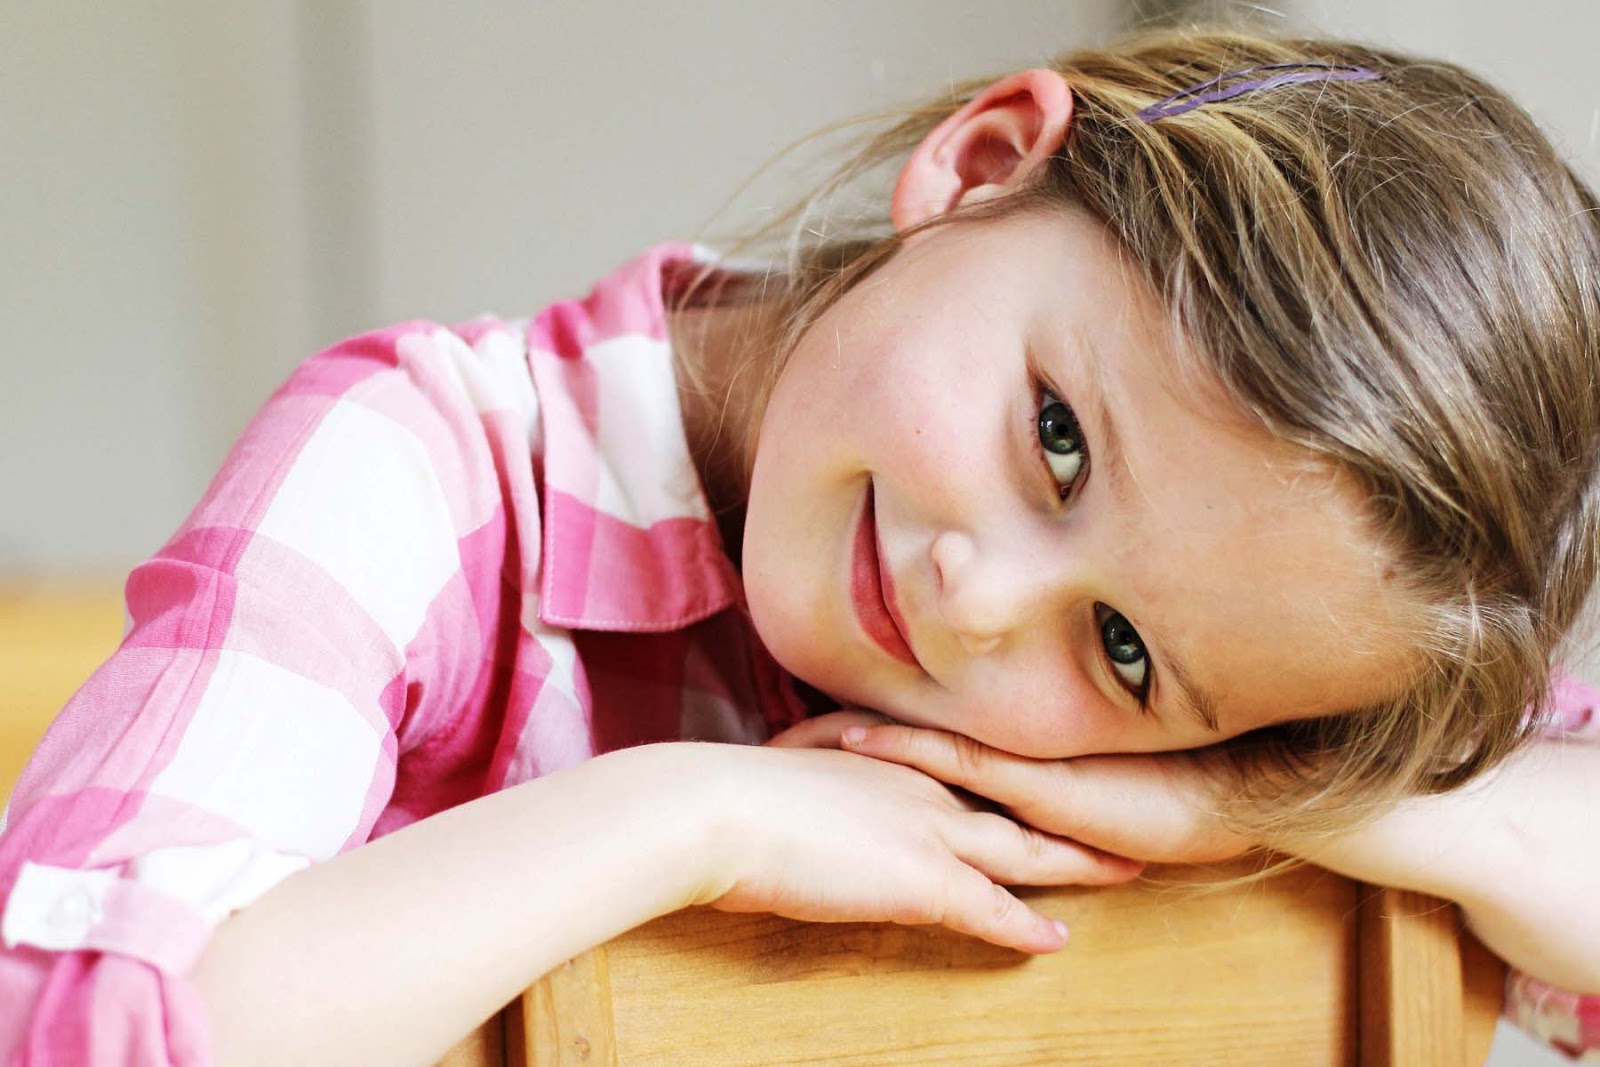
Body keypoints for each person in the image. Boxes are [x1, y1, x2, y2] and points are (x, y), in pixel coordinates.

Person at [3, 25, 1598, 1065]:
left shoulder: (1283, 648)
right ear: (979, 171)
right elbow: (69, 1034)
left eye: (1121, 649)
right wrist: (690, 820)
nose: (978, 608)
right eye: (1055, 439)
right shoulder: (420, 467)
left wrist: (1275, 797)